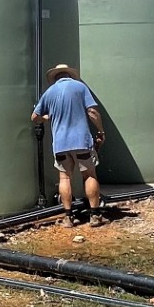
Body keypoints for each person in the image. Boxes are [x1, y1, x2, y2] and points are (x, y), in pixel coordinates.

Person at [32, 63, 105, 224]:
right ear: (69, 75)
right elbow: (92, 111)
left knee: (64, 178)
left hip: (60, 144)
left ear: (55, 78)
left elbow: (34, 117)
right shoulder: (80, 87)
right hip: (81, 141)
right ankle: (94, 215)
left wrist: (45, 118)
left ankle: (68, 217)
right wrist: (101, 131)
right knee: (89, 175)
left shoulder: (49, 93)